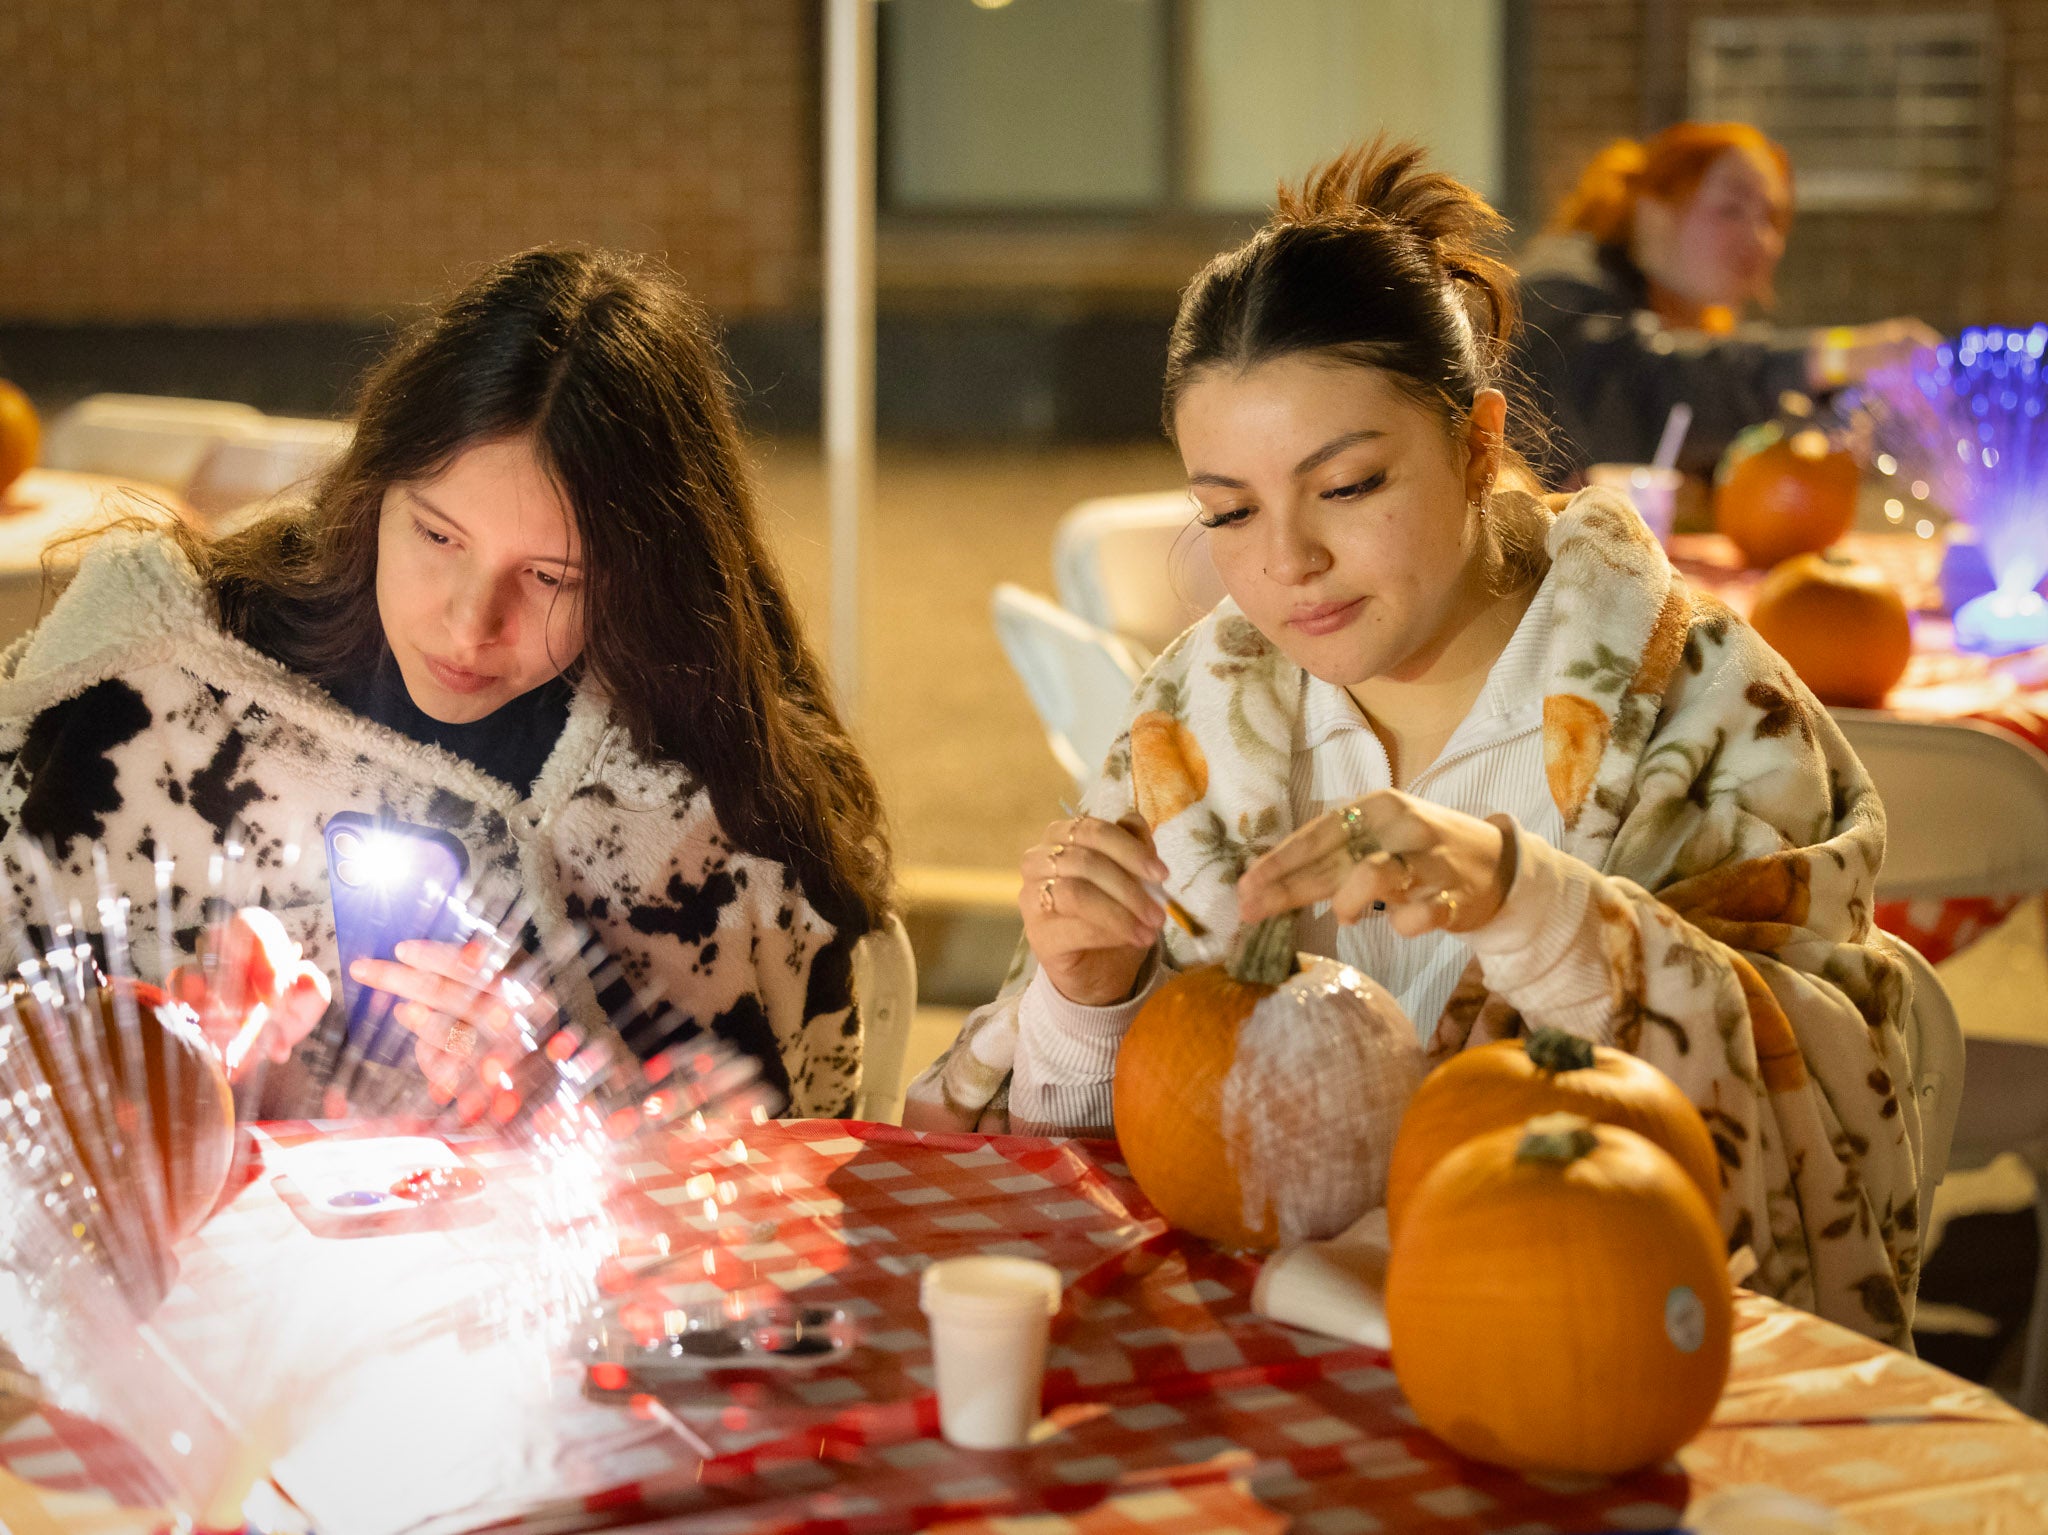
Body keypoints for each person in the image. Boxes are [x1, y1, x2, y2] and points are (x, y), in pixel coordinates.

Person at [904, 141, 1931, 1347]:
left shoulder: (1696, 706)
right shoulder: (1198, 714)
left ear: (1477, 444)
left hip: (1559, 1355)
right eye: (1227, 510)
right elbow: (1088, 1191)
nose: (1284, 563)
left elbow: (1820, 1112)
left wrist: (1530, 904)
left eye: (1345, 486)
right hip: (1247, 1379)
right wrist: (1087, 1001)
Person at [0, 247, 890, 1119]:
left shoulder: (705, 816)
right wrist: (162, 1028)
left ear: (643, 576)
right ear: (372, 491)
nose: (470, 625)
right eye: (436, 536)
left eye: (550, 577)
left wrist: (570, 1094)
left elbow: (780, 1193)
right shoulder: (156, 690)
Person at [1516, 121, 1942, 485]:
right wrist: (1836, 355)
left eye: (1772, 218)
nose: (1762, 239)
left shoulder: (1688, 316)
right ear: (1654, 212)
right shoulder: (1558, 288)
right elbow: (1648, 384)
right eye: (1731, 209)